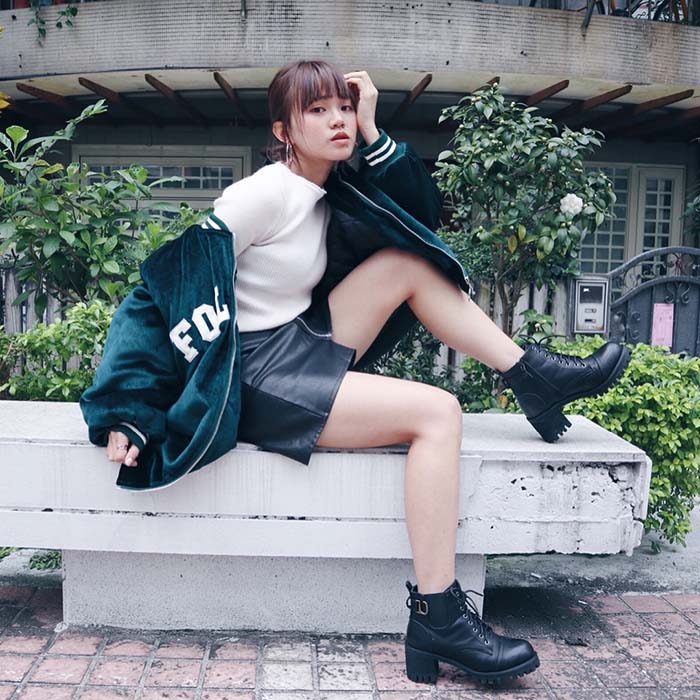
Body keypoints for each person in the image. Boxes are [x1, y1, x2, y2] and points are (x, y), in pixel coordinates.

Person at [80, 60, 631, 686]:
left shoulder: (332, 184)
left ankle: (533, 376)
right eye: (317, 111)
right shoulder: (262, 195)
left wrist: (373, 129)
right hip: (256, 374)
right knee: (438, 413)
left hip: (297, 339)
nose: (336, 120)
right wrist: (127, 406)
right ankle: (439, 617)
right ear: (284, 129)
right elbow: (157, 292)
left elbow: (424, 220)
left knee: (406, 262)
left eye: (343, 107)